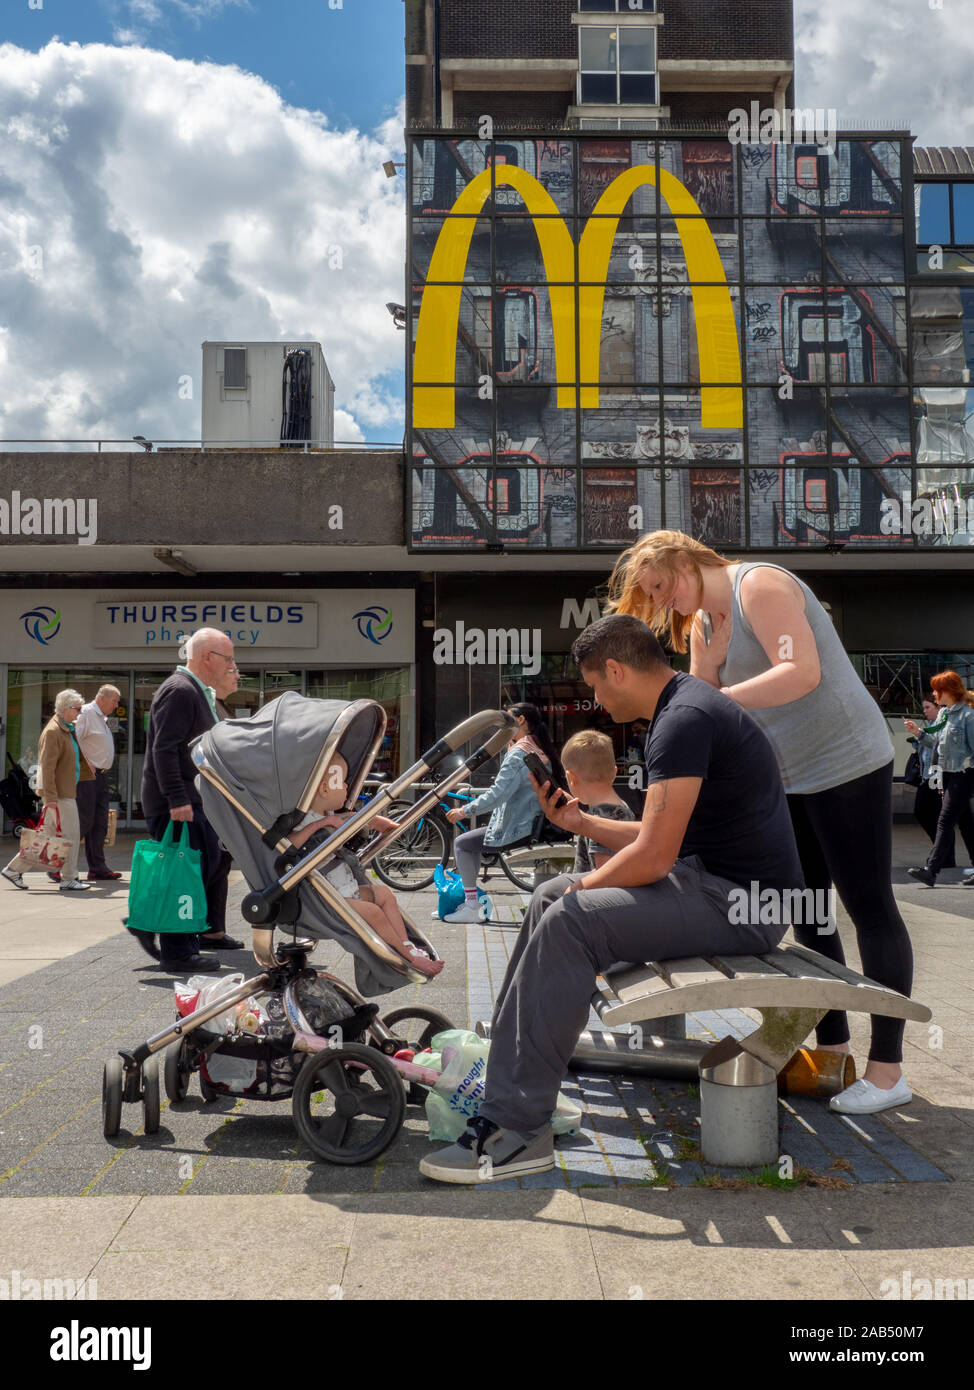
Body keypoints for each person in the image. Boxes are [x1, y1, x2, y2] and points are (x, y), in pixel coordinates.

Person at [419, 615, 805, 1183]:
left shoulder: (683, 721)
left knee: (570, 917)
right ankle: (508, 1083)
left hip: (747, 905)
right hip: (713, 883)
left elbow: (653, 859)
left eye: (597, 685)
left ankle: (518, 1128)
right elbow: (657, 837)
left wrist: (584, 885)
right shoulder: (683, 710)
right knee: (549, 896)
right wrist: (578, 822)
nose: (596, 699)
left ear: (618, 670)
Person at [599, 528, 915, 1116]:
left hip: (847, 760)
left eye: (662, 586)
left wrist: (714, 688)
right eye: (653, 595)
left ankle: (888, 1069)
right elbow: (706, 707)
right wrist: (709, 672)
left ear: (684, 560)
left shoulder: (758, 585)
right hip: (786, 778)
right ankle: (833, 1054)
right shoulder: (700, 627)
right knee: (808, 912)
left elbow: (801, 673)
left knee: (869, 908)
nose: (663, 600)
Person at [128, 629, 244, 972]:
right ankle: (176, 950)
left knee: (205, 867)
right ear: (206, 657)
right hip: (178, 804)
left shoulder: (195, 691)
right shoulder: (180, 690)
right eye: (228, 658)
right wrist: (177, 798)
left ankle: (190, 933)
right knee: (185, 874)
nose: (232, 666)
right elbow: (164, 749)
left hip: (194, 799)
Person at [288, 752, 442, 976]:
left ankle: (406, 944)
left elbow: (351, 815)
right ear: (323, 788)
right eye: (341, 782)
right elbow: (289, 844)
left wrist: (375, 821)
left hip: (345, 889)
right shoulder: (304, 820)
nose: (347, 786)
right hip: (327, 898)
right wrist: (321, 824)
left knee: (385, 894)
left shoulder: (330, 812)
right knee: (373, 912)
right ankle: (407, 956)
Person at [440, 702, 569, 924]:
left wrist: (464, 811)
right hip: (536, 825)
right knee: (472, 845)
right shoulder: (538, 748)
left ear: (520, 721)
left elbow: (497, 795)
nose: (501, 726)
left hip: (519, 829)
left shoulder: (519, 753)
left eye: (506, 720)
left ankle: (472, 906)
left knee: (462, 844)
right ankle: (469, 901)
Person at [2, 690, 93, 893]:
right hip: (59, 794)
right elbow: (46, 767)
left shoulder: (65, 729)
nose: (80, 712)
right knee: (71, 835)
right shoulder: (54, 732)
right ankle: (69, 878)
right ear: (65, 709)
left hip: (63, 792)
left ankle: (13, 870)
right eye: (77, 709)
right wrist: (50, 797)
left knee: (45, 836)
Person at [905, 671, 974, 886]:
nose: (934, 694)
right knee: (966, 824)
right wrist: (918, 733)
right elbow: (936, 742)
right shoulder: (945, 714)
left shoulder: (968, 717)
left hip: (963, 776)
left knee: (944, 821)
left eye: (937, 690)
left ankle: (931, 870)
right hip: (947, 774)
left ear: (949, 691)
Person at [560, 729, 635, 872]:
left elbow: (603, 871)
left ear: (571, 778)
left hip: (592, 892)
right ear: (614, 772)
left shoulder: (600, 818)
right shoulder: (622, 807)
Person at [75, 685, 123, 882]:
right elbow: (74, 740)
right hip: (87, 777)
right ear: (102, 697)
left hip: (101, 776)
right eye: (115, 701)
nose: (117, 705)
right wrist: (85, 764)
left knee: (100, 823)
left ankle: (97, 867)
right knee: (83, 821)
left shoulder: (101, 718)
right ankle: (58, 864)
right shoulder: (86, 713)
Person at [906, 696, 954, 868]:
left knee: (941, 816)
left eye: (928, 707)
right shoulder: (931, 728)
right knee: (924, 812)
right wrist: (917, 737)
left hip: (938, 777)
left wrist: (919, 734)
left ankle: (944, 855)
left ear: (937, 708)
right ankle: (942, 851)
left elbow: (936, 745)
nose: (925, 711)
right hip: (928, 777)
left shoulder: (942, 725)